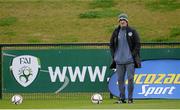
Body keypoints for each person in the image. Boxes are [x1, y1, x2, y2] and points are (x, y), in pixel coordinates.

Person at [110, 13, 141, 104]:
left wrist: (132, 55)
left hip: (130, 61)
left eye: (123, 20)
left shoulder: (132, 31)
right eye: (120, 20)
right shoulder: (116, 32)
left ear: (127, 21)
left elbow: (137, 44)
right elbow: (111, 44)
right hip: (119, 61)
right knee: (120, 80)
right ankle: (122, 98)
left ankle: (130, 98)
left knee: (130, 79)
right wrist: (114, 56)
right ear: (119, 22)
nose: (122, 21)